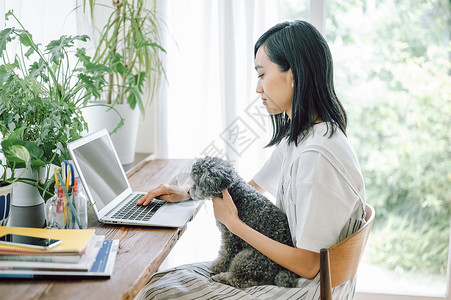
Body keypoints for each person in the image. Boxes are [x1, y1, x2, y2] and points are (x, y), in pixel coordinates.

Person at [136, 20, 366, 300]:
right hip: (294, 277)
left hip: (303, 290)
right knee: (160, 283)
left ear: (292, 74)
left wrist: (235, 225)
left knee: (156, 292)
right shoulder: (304, 137)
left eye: (261, 74)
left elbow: (308, 265)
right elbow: (251, 188)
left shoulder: (317, 156)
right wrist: (188, 192)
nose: (258, 88)